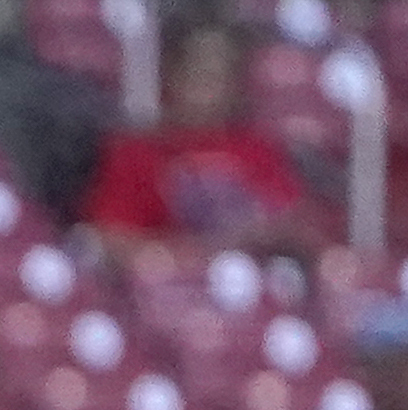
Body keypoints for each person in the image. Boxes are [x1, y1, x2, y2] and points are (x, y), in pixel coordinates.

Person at [77, 19, 318, 246]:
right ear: (172, 74)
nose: (210, 86)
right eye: (199, 71)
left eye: (222, 75)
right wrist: (199, 251)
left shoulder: (260, 149)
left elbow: (294, 227)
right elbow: (111, 238)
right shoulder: (136, 153)